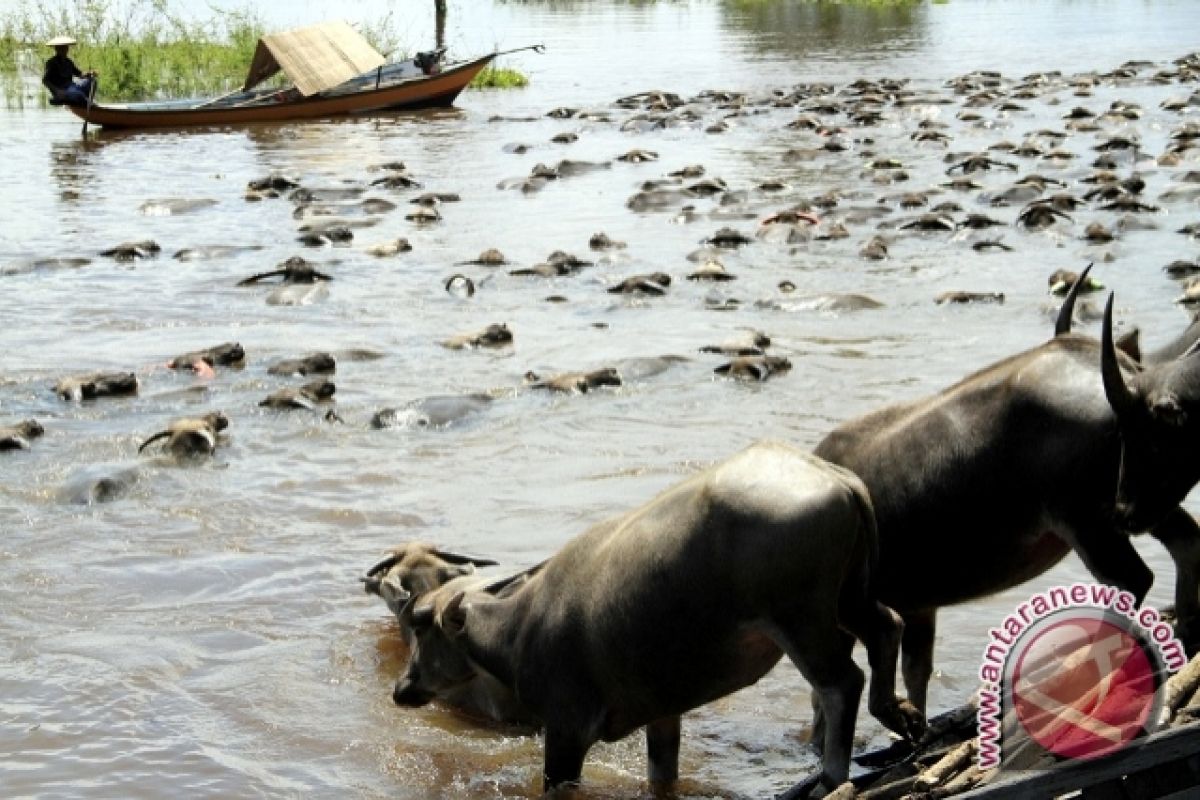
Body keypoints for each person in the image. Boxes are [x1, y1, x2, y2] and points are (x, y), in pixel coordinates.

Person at [42, 36, 98, 107]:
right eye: (61, 48)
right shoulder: (51, 63)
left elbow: (79, 74)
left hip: (72, 87)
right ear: (56, 49)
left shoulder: (68, 61)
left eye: (66, 47)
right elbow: (45, 80)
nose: (65, 50)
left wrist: (90, 73)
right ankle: (87, 103)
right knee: (78, 94)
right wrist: (57, 91)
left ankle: (87, 101)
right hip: (62, 90)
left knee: (92, 81)